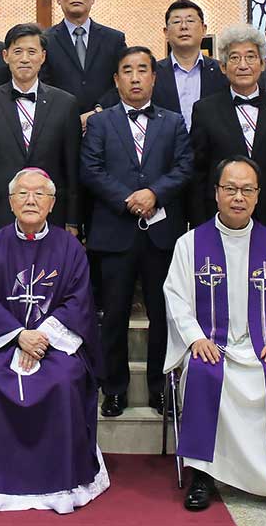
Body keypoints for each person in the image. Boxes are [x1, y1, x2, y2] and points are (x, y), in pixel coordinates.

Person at [165, 157, 266, 515]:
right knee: (203, 371)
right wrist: (194, 339)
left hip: (263, 346)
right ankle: (203, 475)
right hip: (213, 344)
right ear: (216, 193)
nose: (238, 197)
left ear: (257, 196)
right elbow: (176, 298)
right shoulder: (190, 244)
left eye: (247, 190)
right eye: (231, 189)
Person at [0, 168, 108, 513]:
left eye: (40, 194)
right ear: (10, 202)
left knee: (64, 380)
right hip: (3, 342)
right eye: (22, 193)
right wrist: (19, 335)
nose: (31, 200)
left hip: (55, 342)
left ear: (52, 203)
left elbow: (79, 302)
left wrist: (43, 336)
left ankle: (60, 478)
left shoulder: (70, 248)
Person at [81, 46, 192, 416]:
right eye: (126, 70)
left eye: (142, 69)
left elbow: (184, 167)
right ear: (116, 79)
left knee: (162, 313)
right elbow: (91, 169)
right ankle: (114, 388)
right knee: (113, 315)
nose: (134, 77)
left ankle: (161, 388)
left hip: (161, 234)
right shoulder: (100, 122)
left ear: (153, 77)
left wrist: (154, 194)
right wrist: (129, 199)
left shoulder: (173, 122)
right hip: (115, 231)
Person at [0, 23, 81, 239]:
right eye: (17, 51)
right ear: (5, 55)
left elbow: (72, 169)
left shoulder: (65, 104)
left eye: (32, 52)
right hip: (1, 214)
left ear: (43, 56)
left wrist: (73, 218)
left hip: (53, 215)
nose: (24, 58)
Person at [188, 24, 266, 235]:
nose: (243, 65)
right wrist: (199, 224)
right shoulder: (205, 110)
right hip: (219, 219)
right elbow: (198, 172)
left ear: (263, 64)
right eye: (234, 58)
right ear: (223, 66)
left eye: (250, 57)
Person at [39, 0, 127, 128]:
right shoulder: (45, 40)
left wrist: (98, 110)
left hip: (107, 124)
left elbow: (123, 80)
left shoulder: (114, 39)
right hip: (60, 127)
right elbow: (43, 85)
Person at [155, 0, 227, 130]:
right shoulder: (152, 73)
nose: (184, 26)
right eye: (176, 22)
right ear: (166, 32)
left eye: (190, 21)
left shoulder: (222, 71)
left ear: (204, 29)